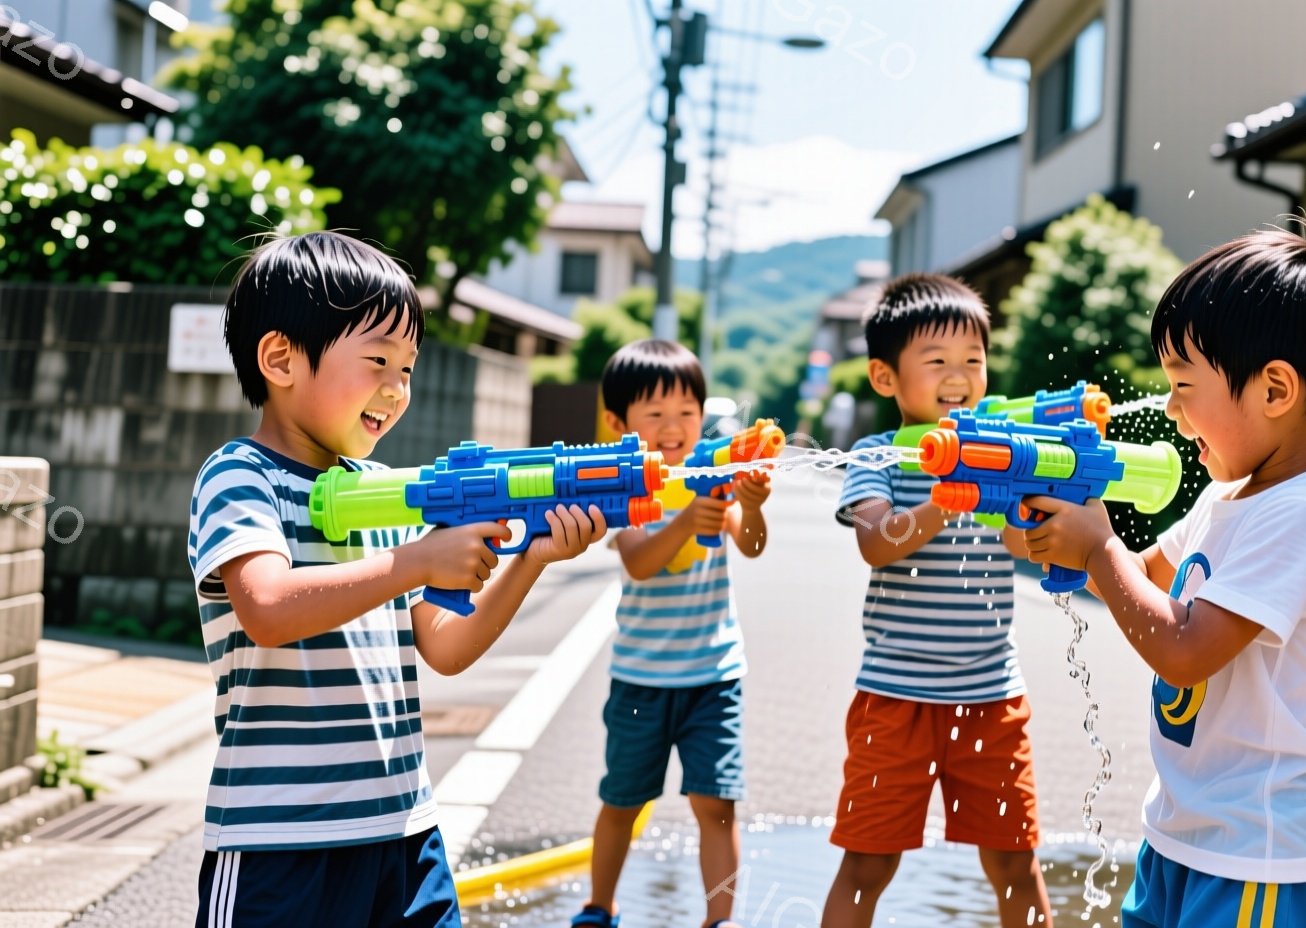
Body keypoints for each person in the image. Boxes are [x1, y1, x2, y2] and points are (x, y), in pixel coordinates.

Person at [188, 231, 605, 927]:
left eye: (407, 369)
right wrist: (415, 562)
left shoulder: (388, 491)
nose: (397, 389)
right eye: (378, 361)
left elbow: (445, 647)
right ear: (281, 359)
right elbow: (267, 607)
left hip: (405, 833)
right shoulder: (240, 475)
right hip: (279, 845)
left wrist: (532, 558)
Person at [1020, 227, 1306, 928]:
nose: (1173, 412)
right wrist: (1049, 523)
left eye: (1184, 387)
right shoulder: (1229, 497)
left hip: (1259, 853)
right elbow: (1145, 578)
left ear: (1274, 388)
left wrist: (1096, 550)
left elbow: (1184, 649)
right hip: (1186, 831)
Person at [822, 274, 1050, 928]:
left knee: (1014, 861)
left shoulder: (1000, 453)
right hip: (895, 699)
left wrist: (1034, 501)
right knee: (868, 863)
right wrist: (947, 495)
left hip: (991, 695)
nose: (960, 375)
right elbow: (875, 542)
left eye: (973, 361)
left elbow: (1021, 542)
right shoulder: (879, 455)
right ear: (885, 378)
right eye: (938, 361)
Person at [570, 339, 772, 928]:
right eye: (654, 415)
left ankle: (720, 919)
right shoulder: (624, 487)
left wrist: (753, 506)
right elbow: (638, 561)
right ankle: (599, 906)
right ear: (618, 422)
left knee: (718, 804)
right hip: (641, 679)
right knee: (623, 801)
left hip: (715, 675)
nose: (673, 427)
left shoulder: (715, 474)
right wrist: (686, 517)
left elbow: (753, 546)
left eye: (686, 412)